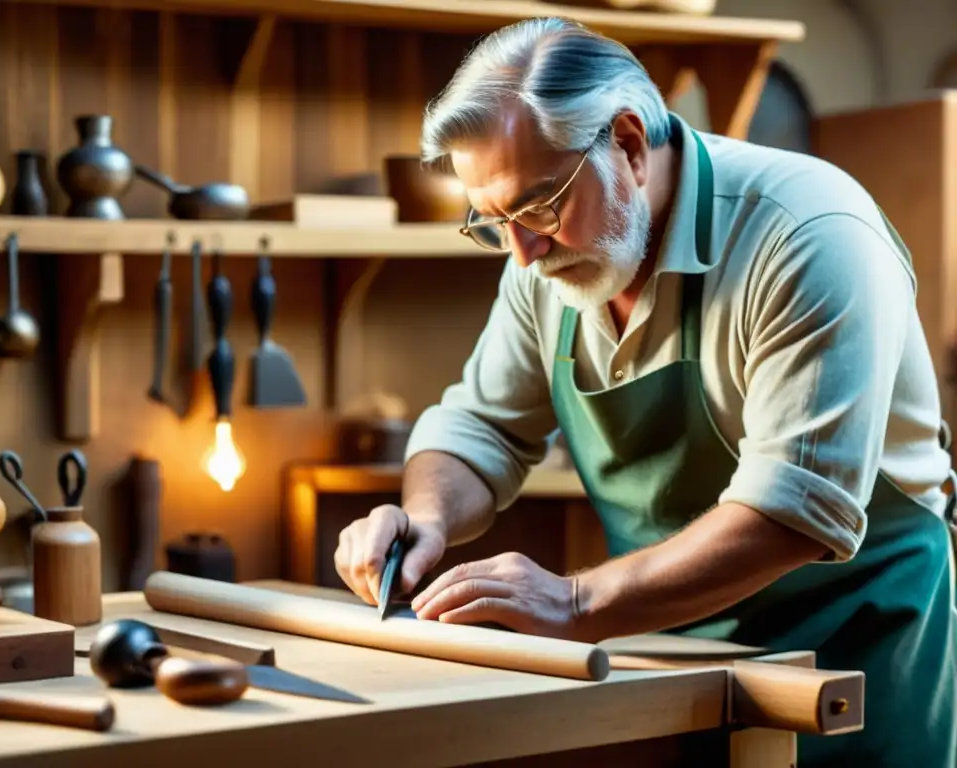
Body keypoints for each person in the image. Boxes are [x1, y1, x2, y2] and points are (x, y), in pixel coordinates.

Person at [332, 17, 957, 766]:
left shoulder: (809, 232)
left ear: (628, 143)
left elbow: (792, 513)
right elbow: (482, 429)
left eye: (537, 207)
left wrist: (573, 603)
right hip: (666, 653)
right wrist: (423, 519)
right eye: (493, 222)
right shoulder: (544, 262)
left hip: (853, 659)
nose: (521, 255)